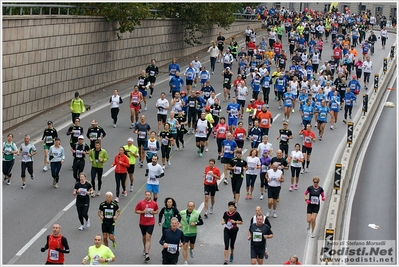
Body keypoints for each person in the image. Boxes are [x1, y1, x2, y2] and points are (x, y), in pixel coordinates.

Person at [135, 191, 159, 262]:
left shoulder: (154, 203)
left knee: (148, 238)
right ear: (144, 195)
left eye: (148, 195)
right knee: (144, 237)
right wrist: (143, 212)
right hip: (142, 223)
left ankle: (147, 253)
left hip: (151, 223)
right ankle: (145, 247)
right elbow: (136, 211)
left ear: (151, 196)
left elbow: (157, 211)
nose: (147, 196)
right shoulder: (141, 203)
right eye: (146, 195)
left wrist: (153, 212)